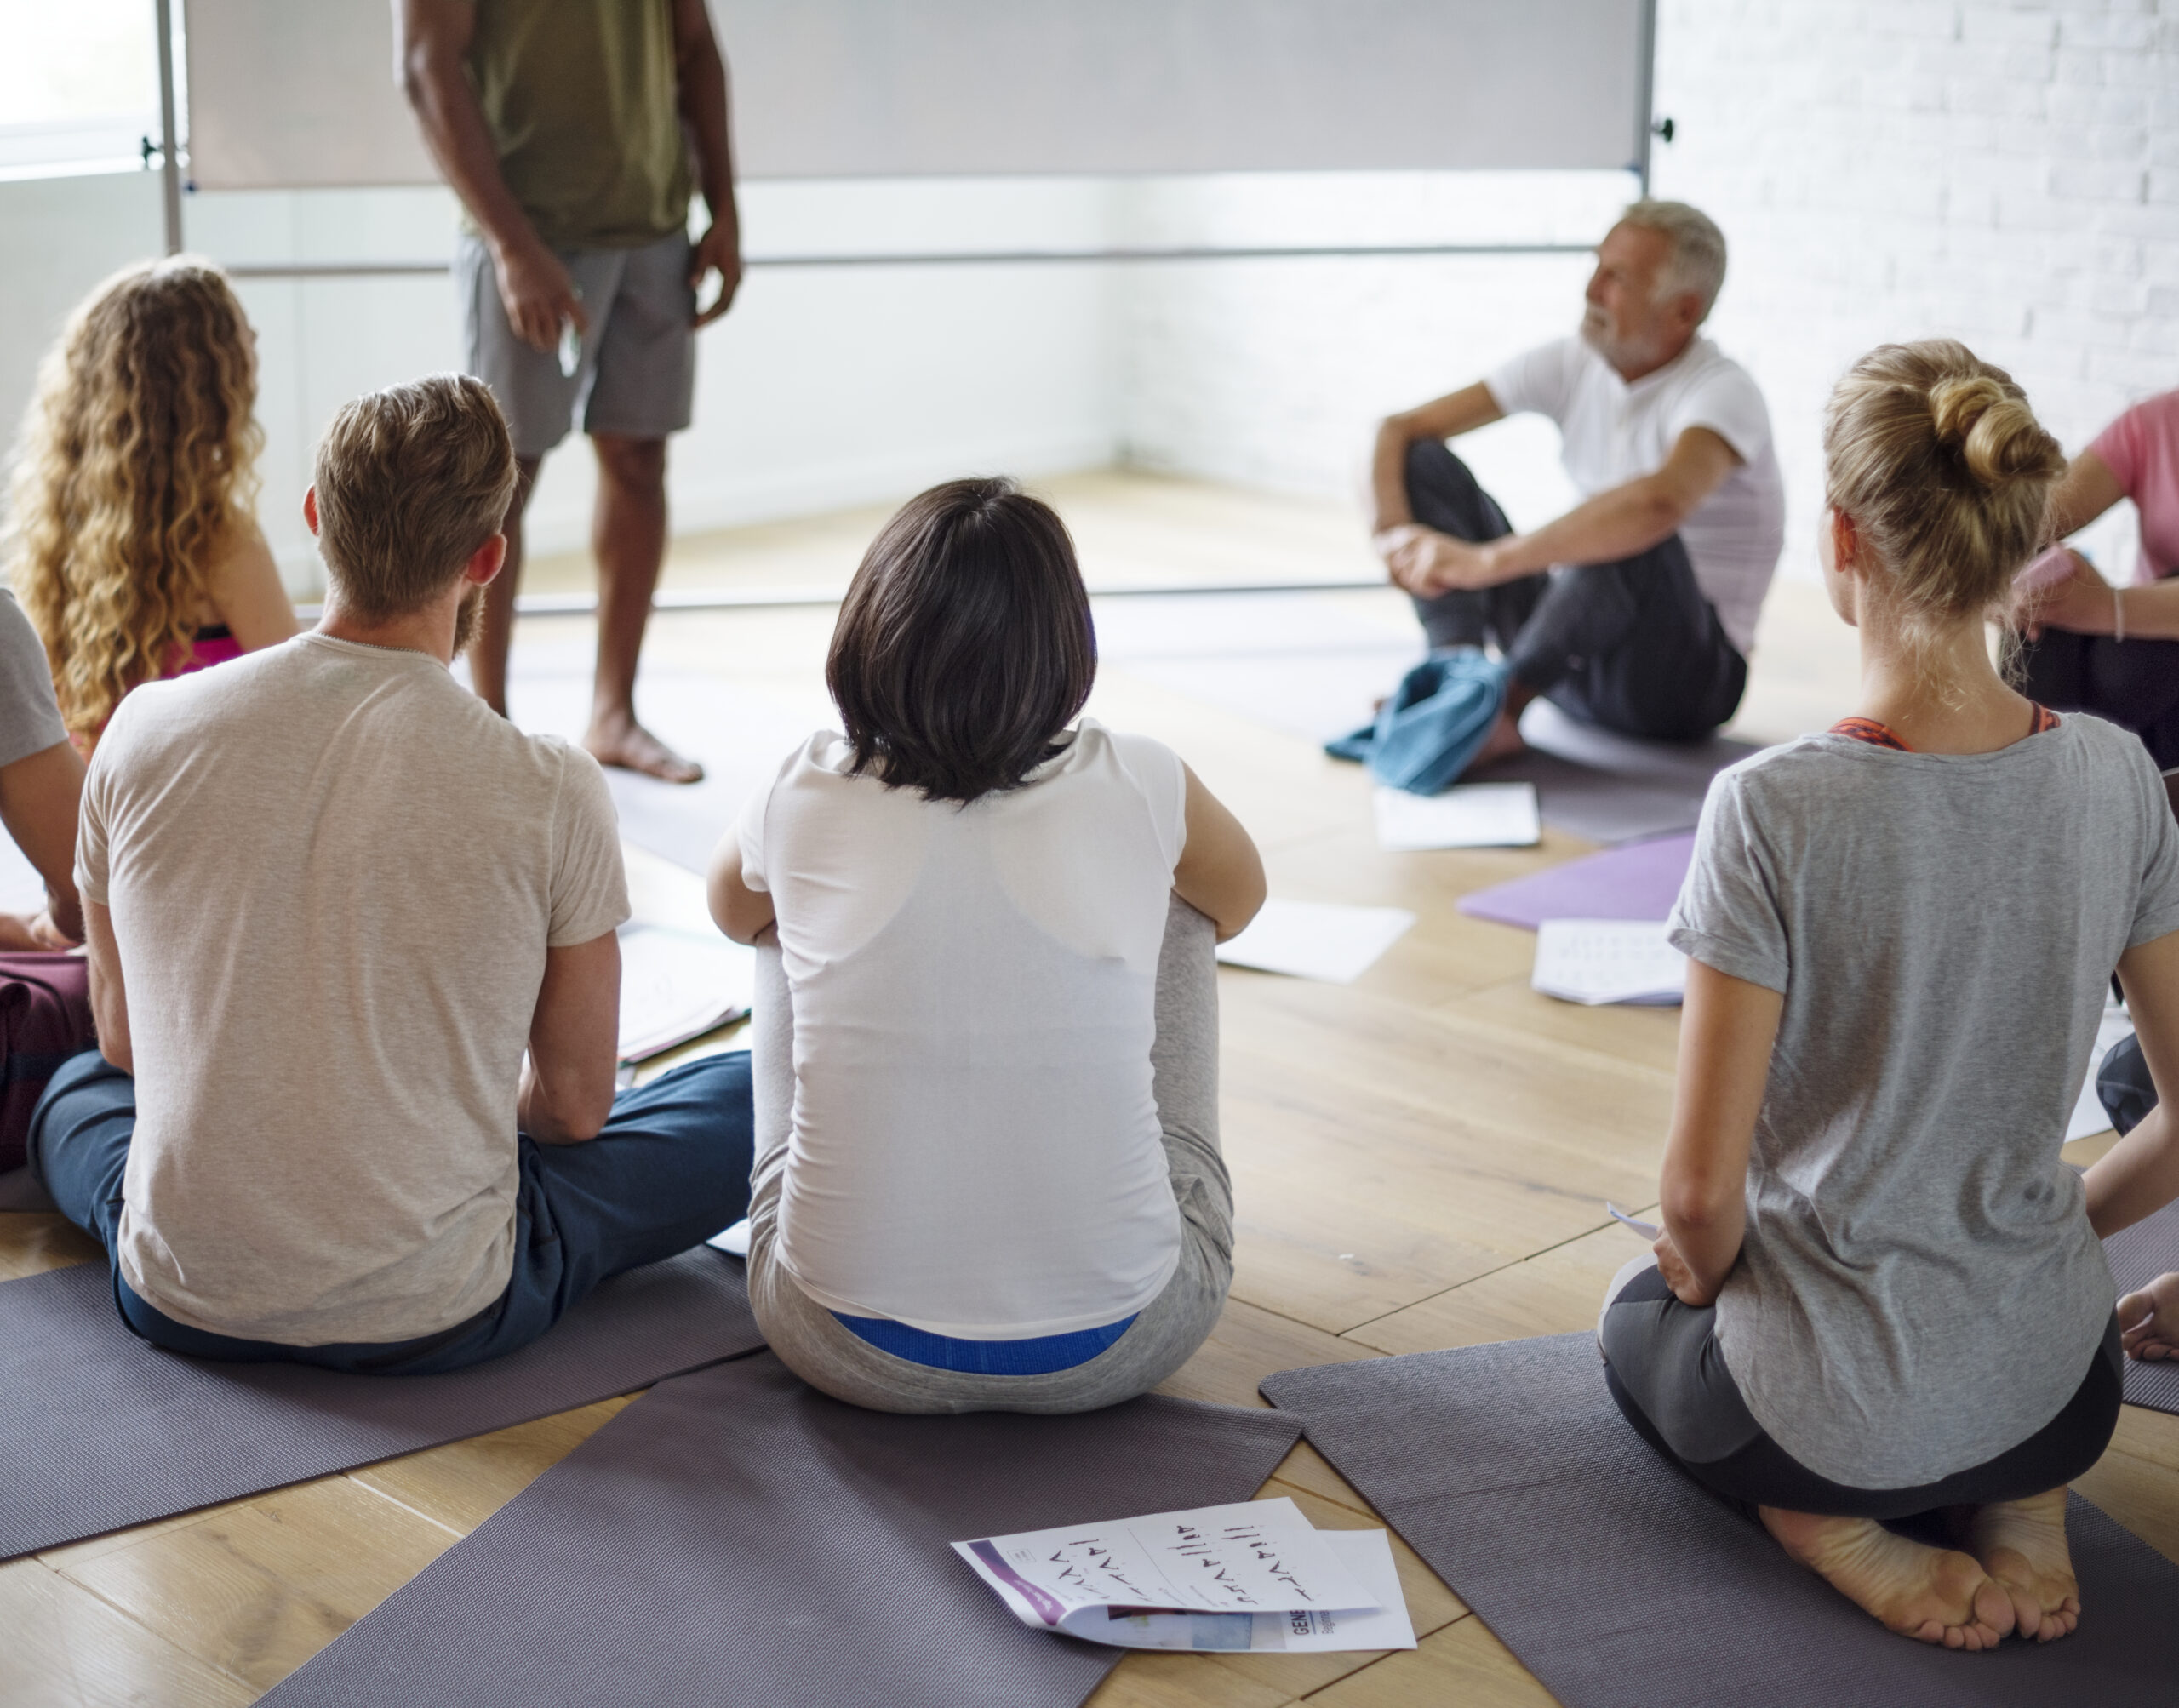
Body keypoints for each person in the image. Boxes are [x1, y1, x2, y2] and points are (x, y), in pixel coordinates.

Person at [1596, 340, 2179, 1649]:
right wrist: (2050, 1238)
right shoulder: (2119, 772)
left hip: (1829, 1420)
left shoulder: (1771, 804)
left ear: (1843, 540)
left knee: (1635, 1317)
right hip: (2062, 1387)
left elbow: (1696, 1200)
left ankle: (1830, 1521)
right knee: (1994, 1357)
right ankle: (2024, 1498)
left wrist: (1697, 1271)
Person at [26, 374, 752, 1372]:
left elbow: (122, 1041)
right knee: (753, 1096)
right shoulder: (548, 783)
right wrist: (434, 1108)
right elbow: (577, 1109)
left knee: (75, 1092)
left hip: (178, 1292)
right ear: (486, 557)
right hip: (439, 1305)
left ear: (318, 519)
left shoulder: (145, 726)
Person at [709, 477, 1266, 1413]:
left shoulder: (798, 789)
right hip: (1124, 1345)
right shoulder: (1142, 777)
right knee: (1183, 898)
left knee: (775, 917)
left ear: (866, 636)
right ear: (1062, 650)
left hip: (833, 1341)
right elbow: (1238, 901)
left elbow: (733, 915)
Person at [398, 0, 743, 785]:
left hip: (653, 226)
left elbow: (694, 48)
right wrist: (513, 248)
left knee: (639, 461)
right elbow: (426, 67)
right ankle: (486, 729)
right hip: (527, 229)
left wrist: (723, 206)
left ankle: (613, 715)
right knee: (497, 481)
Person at [1369, 200, 1783, 772]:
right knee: (1422, 461)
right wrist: (1394, 535)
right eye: (1596, 265)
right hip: (1568, 653)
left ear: (1683, 311)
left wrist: (1484, 562)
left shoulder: (1723, 391)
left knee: (1634, 529)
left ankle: (1496, 707)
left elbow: (1659, 503)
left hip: (1677, 688)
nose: (1591, 289)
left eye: (1618, 278)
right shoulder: (1574, 361)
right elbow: (1399, 429)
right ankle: (1457, 681)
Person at [5, 258, 297, 753]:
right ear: (211, 387)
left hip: (112, 814)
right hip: (198, 813)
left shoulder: (62, 536)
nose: (257, 339)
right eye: (243, 334)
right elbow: (303, 702)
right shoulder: (220, 539)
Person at [2011, 386, 2179, 768]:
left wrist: (2109, 607)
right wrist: (2000, 586)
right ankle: (2038, 766)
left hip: (2150, 663)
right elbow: (2033, 523)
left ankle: (2052, 769)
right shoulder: (2157, 420)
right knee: (2037, 571)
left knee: (2128, 667)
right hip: (2137, 662)